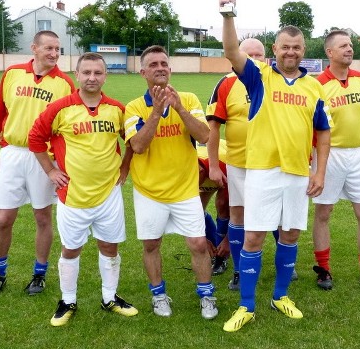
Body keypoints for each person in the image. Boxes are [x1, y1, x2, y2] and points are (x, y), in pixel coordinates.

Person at [219, 0, 331, 332]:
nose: (291, 52)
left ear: (303, 51)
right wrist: (228, 15)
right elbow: (230, 51)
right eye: (285, 46)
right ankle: (246, 305)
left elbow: (323, 132)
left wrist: (319, 171)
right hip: (263, 172)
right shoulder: (259, 77)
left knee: (291, 235)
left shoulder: (314, 87)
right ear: (276, 49)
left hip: (298, 173)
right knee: (253, 238)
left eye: (297, 47)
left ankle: (280, 296)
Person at [28, 52, 138, 326]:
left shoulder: (117, 109)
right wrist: (51, 170)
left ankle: (110, 297)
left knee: (109, 246)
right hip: (73, 195)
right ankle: (67, 300)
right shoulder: (61, 108)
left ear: (105, 75)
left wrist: (125, 166)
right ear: (77, 75)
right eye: (86, 72)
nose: (92, 77)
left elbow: (133, 141)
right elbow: (35, 138)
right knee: (71, 249)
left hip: (108, 194)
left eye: (97, 73)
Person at [125, 45, 217, 320]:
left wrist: (178, 108)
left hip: (185, 189)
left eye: (164, 63)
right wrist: (156, 112)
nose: (160, 68)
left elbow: (204, 136)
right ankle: (158, 295)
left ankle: (206, 294)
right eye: (153, 64)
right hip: (149, 191)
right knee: (151, 245)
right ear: (143, 73)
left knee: (199, 244)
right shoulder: (134, 107)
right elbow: (138, 147)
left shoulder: (187, 99)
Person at [0, 30, 75, 297]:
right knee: (3, 218)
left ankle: (39, 275)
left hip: (43, 157)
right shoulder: (12, 73)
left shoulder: (64, 83)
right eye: (49, 48)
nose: (55, 54)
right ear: (34, 48)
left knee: (42, 217)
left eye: (58, 49)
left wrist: (61, 162)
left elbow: (65, 127)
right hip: (12, 153)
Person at [206, 37, 297, 292]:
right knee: (239, 215)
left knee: (281, 215)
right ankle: (238, 269)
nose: (255, 59)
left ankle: (285, 264)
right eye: (250, 55)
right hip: (240, 163)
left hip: (274, 162)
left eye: (259, 55)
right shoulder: (225, 84)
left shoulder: (277, 81)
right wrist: (214, 165)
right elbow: (213, 127)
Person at [311, 30, 360, 292]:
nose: (349, 49)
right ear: (329, 53)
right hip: (328, 154)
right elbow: (309, 125)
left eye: (350, 45)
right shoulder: (317, 84)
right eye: (343, 45)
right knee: (324, 212)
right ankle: (323, 270)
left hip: (357, 154)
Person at [197, 141, 231, 273]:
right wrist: (201, 239)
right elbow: (184, 213)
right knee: (196, 209)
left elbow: (241, 213)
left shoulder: (224, 164)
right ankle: (213, 247)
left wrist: (227, 240)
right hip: (202, 168)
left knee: (223, 206)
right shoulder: (181, 170)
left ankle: (221, 256)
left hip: (223, 168)